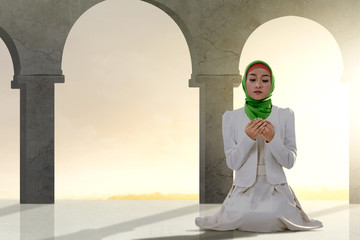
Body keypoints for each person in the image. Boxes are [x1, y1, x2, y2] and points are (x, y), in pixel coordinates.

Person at [195, 60, 323, 232]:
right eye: (252, 79)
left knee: (273, 215)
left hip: (276, 190)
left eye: (265, 80)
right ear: (244, 83)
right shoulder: (231, 118)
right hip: (244, 190)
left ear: (272, 84)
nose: (258, 85)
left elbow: (289, 161)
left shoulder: (284, 115)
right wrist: (249, 138)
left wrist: (272, 139)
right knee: (244, 215)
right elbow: (232, 163)